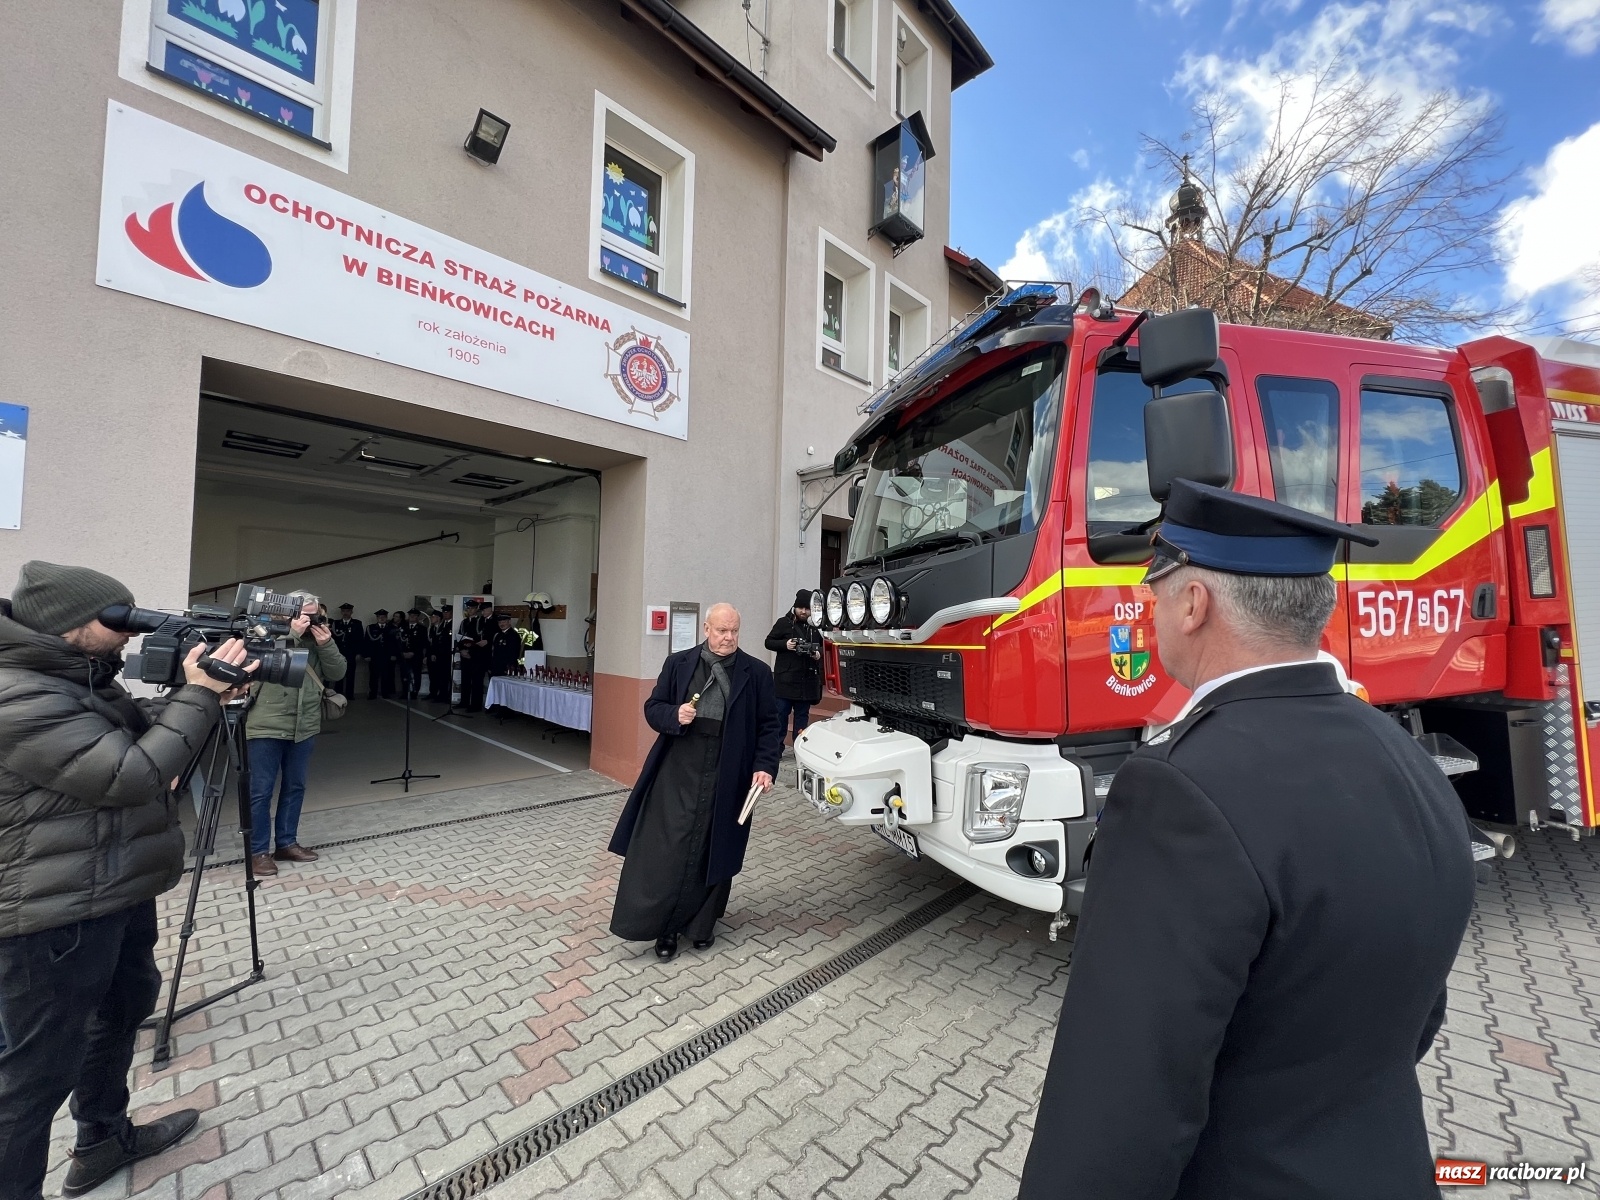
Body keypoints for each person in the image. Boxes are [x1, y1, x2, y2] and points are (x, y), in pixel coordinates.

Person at [1018, 480, 1475, 1200]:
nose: (1147, 606)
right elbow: (1415, 1016)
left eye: (1155, 588)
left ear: (1195, 604)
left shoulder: (1178, 792)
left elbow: (1118, 1106)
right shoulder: (1410, 762)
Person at [0, 561, 254, 1199]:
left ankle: (103, 1139)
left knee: (120, 1009)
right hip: (52, 912)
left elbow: (135, 735)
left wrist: (204, 695)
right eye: (116, 620)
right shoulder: (17, 692)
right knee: (32, 1078)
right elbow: (131, 774)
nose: (126, 633)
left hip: (109, 886)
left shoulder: (75, 674)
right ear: (70, 626)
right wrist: (198, 697)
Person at [607, 603, 781, 961]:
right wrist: (675, 713)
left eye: (734, 631)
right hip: (679, 768)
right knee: (670, 847)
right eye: (721, 630)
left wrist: (765, 766)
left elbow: (770, 725)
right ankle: (665, 929)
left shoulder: (757, 671)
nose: (729, 638)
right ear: (706, 629)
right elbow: (653, 707)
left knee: (714, 845)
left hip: (730, 768)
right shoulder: (679, 664)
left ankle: (702, 926)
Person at [244, 591, 347, 877]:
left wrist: (326, 644)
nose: (308, 620)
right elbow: (257, 664)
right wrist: (291, 634)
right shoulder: (262, 632)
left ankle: (287, 842)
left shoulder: (319, 640)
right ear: (285, 613)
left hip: (305, 724)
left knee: (295, 786)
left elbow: (337, 672)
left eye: (313, 614)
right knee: (260, 791)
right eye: (301, 614)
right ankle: (258, 851)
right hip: (266, 722)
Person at [763, 589, 823, 747]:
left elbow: (823, 648)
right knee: (780, 717)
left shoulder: (815, 627)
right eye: (800, 608)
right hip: (785, 682)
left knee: (802, 718)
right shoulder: (784, 623)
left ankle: (799, 748)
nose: (803, 612)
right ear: (794, 607)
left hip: (806, 682)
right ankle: (776, 750)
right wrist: (785, 644)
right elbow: (768, 642)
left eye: (807, 608)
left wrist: (818, 654)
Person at [458, 600, 491, 712]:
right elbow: (461, 637)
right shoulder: (464, 622)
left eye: (472, 608)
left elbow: (481, 638)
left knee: (477, 681)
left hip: (476, 655)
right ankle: (464, 701)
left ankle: (475, 704)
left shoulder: (481, 621)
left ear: (477, 609)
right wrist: (462, 649)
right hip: (465, 654)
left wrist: (470, 651)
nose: (470, 610)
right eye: (468, 608)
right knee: (465, 679)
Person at [330, 603, 364, 701]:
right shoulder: (336, 623)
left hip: (351, 653)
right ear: (341, 612)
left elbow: (360, 639)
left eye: (348, 611)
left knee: (350, 675)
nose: (345, 613)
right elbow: (333, 639)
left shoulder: (357, 624)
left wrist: (358, 653)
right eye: (344, 611)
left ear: (351, 612)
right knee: (338, 675)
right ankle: (338, 694)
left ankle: (349, 695)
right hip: (339, 653)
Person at [398, 609, 426, 700]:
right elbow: (399, 641)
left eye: (414, 616)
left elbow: (422, 643)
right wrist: (403, 652)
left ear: (417, 617)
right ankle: (405, 692)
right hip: (404, 655)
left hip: (416, 656)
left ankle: (414, 692)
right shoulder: (402, 627)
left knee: (416, 674)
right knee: (404, 675)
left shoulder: (422, 628)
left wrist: (413, 652)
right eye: (410, 615)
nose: (412, 617)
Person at [426, 610, 452, 702]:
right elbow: (429, 644)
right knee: (433, 676)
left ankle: (443, 694)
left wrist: (435, 653)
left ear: (438, 618)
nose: (431, 618)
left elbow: (441, 643)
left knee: (442, 676)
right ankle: (433, 693)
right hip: (432, 655)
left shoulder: (442, 628)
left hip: (442, 656)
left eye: (433, 617)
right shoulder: (432, 628)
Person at [365, 608, 392, 699]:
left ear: (386, 617)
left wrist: (394, 655)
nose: (382, 618)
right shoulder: (371, 628)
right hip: (374, 656)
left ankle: (385, 693)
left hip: (387, 656)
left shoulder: (391, 628)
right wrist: (367, 655)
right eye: (380, 617)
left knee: (386, 675)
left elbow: (395, 643)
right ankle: (373, 694)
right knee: (373, 676)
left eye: (384, 617)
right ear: (377, 618)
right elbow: (367, 642)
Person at [488, 611, 523, 678]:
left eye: (504, 622)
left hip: (506, 669)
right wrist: (491, 666)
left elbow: (514, 654)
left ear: (509, 622)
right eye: (499, 622)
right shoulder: (498, 635)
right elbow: (493, 652)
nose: (501, 624)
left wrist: (509, 668)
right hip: (495, 668)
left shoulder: (513, 635)